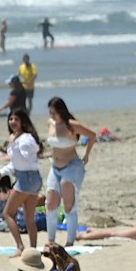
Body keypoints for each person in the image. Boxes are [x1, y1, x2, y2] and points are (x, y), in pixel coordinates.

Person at [44, 97, 95, 243]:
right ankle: (51, 241)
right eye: (50, 112)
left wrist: (87, 155)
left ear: (61, 111)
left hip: (72, 166)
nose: (51, 115)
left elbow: (92, 135)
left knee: (68, 206)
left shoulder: (72, 125)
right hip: (55, 167)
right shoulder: (50, 123)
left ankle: (70, 242)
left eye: (54, 112)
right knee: (51, 203)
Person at [3, 112, 45, 251]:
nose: (13, 122)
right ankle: (32, 249)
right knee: (29, 218)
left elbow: (24, 158)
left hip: (26, 179)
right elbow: (16, 163)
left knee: (8, 213)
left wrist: (13, 144)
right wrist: (1, 173)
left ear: (22, 122)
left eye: (16, 119)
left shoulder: (25, 138)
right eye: (11, 119)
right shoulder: (21, 138)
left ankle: (20, 247)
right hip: (32, 178)